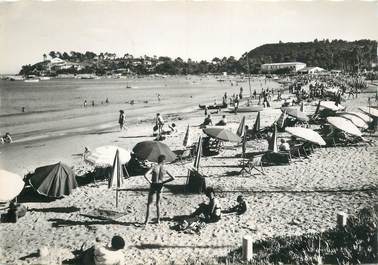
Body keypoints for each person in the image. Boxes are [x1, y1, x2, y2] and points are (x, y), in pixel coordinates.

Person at [144, 155, 175, 225]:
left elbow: (145, 175)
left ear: (158, 160)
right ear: (164, 161)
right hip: (160, 185)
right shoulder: (165, 169)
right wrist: (164, 182)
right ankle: (158, 220)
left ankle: (146, 221)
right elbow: (173, 178)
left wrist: (150, 181)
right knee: (158, 204)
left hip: (153, 185)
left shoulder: (154, 167)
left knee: (149, 204)